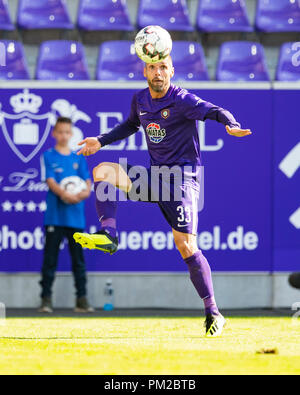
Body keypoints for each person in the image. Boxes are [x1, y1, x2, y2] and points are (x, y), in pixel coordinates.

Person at [73, 56, 252, 336]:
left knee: (185, 246)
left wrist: (230, 123)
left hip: (182, 181)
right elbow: (130, 125)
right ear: (145, 70)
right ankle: (109, 235)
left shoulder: (182, 99)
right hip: (155, 178)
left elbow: (213, 110)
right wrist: (100, 140)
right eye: (153, 67)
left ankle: (213, 312)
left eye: (163, 68)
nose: (158, 73)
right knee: (103, 170)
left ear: (172, 71)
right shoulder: (141, 99)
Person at [39, 117, 94, 313]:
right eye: (60, 132)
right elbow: (50, 181)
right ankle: (45, 300)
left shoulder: (78, 157)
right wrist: (64, 194)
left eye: (67, 132)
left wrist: (83, 194)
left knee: (78, 260)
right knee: (50, 260)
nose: (63, 135)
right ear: (54, 133)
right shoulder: (48, 156)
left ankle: (82, 299)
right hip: (55, 217)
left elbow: (87, 182)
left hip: (75, 217)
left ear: (71, 134)